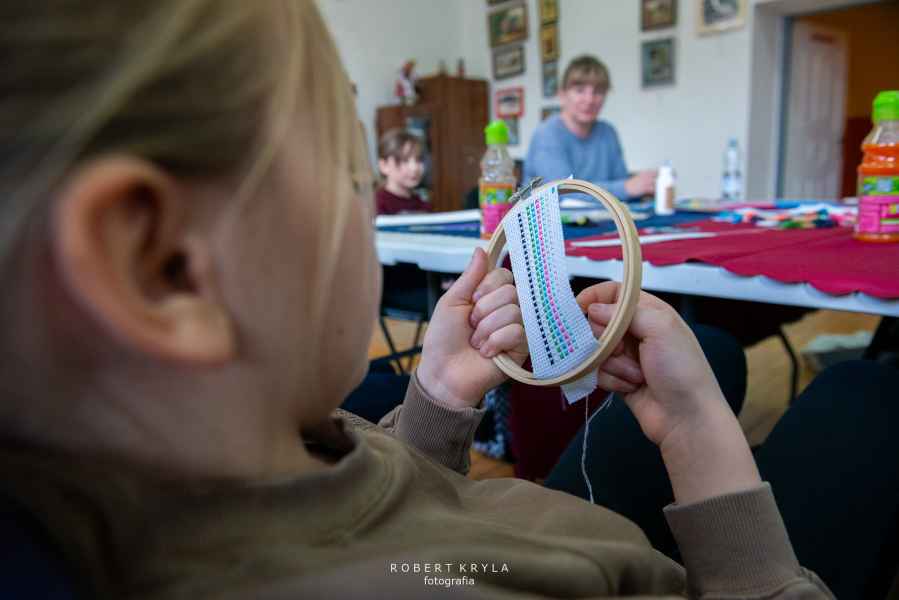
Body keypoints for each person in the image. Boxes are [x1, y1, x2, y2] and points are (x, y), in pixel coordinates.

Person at [0, 3, 894, 599]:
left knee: (717, 352)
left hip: (488, 510)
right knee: (866, 399)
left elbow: (379, 496)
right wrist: (700, 439)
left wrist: (433, 402)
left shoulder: (229, 454)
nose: (368, 196)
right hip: (589, 551)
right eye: (352, 168)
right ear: (161, 269)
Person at [524, 55, 657, 201]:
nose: (589, 100)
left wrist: (645, 188)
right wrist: (627, 188)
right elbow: (563, 194)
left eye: (598, 91)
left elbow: (623, 187)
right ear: (562, 95)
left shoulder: (608, 132)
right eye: (580, 90)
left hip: (601, 215)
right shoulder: (547, 134)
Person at [375, 127, 429, 214]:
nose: (414, 168)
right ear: (384, 165)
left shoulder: (423, 205)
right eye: (404, 160)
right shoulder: (376, 204)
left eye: (418, 159)